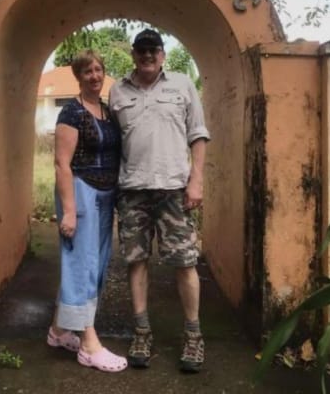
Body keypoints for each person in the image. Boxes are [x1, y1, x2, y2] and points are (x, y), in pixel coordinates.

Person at [109, 28, 210, 373]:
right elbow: (113, 141)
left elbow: (198, 135)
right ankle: (141, 332)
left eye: (153, 50)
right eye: (142, 50)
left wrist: (196, 181)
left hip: (174, 191)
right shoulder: (118, 90)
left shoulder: (182, 85)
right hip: (133, 191)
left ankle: (193, 336)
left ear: (163, 54)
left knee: (185, 262)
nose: (147, 55)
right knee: (136, 261)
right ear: (134, 54)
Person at [47, 49, 127, 373]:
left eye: (98, 70)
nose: (94, 75)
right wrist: (68, 211)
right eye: (87, 71)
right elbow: (61, 164)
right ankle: (89, 345)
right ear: (78, 77)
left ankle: (59, 330)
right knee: (82, 264)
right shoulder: (71, 112)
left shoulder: (107, 112)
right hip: (79, 192)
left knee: (98, 264)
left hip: (106, 195)